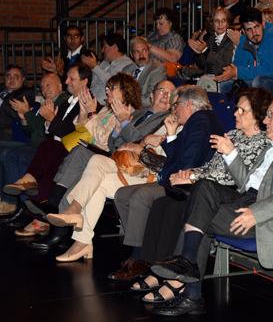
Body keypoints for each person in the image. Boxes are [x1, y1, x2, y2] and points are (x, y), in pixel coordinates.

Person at [150, 97, 273, 316]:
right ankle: (186, 267)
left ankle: (189, 288)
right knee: (203, 189)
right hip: (247, 198)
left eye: (271, 115)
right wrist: (231, 153)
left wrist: (257, 213)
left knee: (199, 215)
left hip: (269, 213)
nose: (266, 120)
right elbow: (245, 182)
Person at [130, 88, 273, 303]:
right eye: (236, 109)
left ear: (258, 116)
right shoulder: (232, 135)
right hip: (207, 188)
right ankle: (158, 268)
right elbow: (211, 167)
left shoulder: (263, 143)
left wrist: (195, 179)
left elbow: (239, 180)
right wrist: (190, 174)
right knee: (164, 203)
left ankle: (175, 276)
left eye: (242, 110)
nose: (235, 114)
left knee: (180, 205)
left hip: (229, 195)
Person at [43, 80, 177, 262]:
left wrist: (125, 125)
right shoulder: (139, 114)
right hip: (121, 161)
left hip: (142, 170)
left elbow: (142, 146)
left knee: (97, 175)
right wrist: (117, 132)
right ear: (152, 95)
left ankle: (80, 235)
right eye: (161, 91)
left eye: (170, 93)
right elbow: (115, 146)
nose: (165, 96)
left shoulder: (168, 120)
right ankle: (76, 221)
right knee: (95, 161)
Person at [108, 86, 225, 280]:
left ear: (188, 104)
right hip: (177, 179)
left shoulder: (200, 120)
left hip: (187, 184)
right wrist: (171, 133)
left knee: (139, 197)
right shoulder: (198, 121)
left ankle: (138, 258)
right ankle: (142, 247)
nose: (175, 109)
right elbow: (177, 156)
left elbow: (188, 163)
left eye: (177, 105)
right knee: (122, 195)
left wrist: (165, 174)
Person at [15, 73, 142, 249]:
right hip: (93, 154)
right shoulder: (107, 109)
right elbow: (82, 127)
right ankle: (58, 224)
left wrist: (92, 113)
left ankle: (53, 209)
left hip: (109, 159)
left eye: (112, 88)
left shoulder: (130, 112)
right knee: (73, 168)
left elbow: (104, 141)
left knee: (77, 153)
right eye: (106, 89)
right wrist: (84, 112)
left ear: (126, 91)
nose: (107, 92)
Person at [0, 73, 69, 216]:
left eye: (48, 85)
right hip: (37, 144)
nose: (45, 89)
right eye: (42, 87)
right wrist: (24, 119)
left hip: (46, 149)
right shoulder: (47, 103)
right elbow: (33, 130)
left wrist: (28, 114)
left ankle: (11, 202)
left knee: (8, 154)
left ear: (60, 86)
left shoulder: (63, 103)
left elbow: (44, 134)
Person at [214, 7, 273, 96]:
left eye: (257, 26)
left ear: (263, 24)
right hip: (264, 78)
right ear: (243, 31)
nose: (255, 33)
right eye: (249, 29)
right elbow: (238, 64)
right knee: (226, 84)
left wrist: (237, 72)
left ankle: (256, 109)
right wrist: (230, 71)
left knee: (260, 82)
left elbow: (268, 69)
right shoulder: (245, 41)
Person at [81, 33, 134, 105]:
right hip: (91, 102)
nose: (102, 50)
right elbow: (93, 86)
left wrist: (95, 67)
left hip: (107, 106)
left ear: (115, 47)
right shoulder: (104, 63)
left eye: (104, 47)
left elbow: (113, 84)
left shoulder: (127, 65)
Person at [186, 7, 236, 78]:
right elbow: (203, 66)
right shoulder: (210, 39)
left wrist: (205, 50)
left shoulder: (231, 40)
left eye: (223, 20)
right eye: (216, 21)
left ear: (227, 24)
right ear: (212, 24)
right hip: (208, 77)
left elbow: (224, 65)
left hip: (224, 78)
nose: (220, 24)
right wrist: (198, 54)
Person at [123, 36, 167, 107]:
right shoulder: (126, 70)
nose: (141, 55)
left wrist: (127, 99)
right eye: (137, 52)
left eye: (144, 50)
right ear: (131, 54)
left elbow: (150, 100)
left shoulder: (157, 70)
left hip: (143, 112)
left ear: (148, 52)